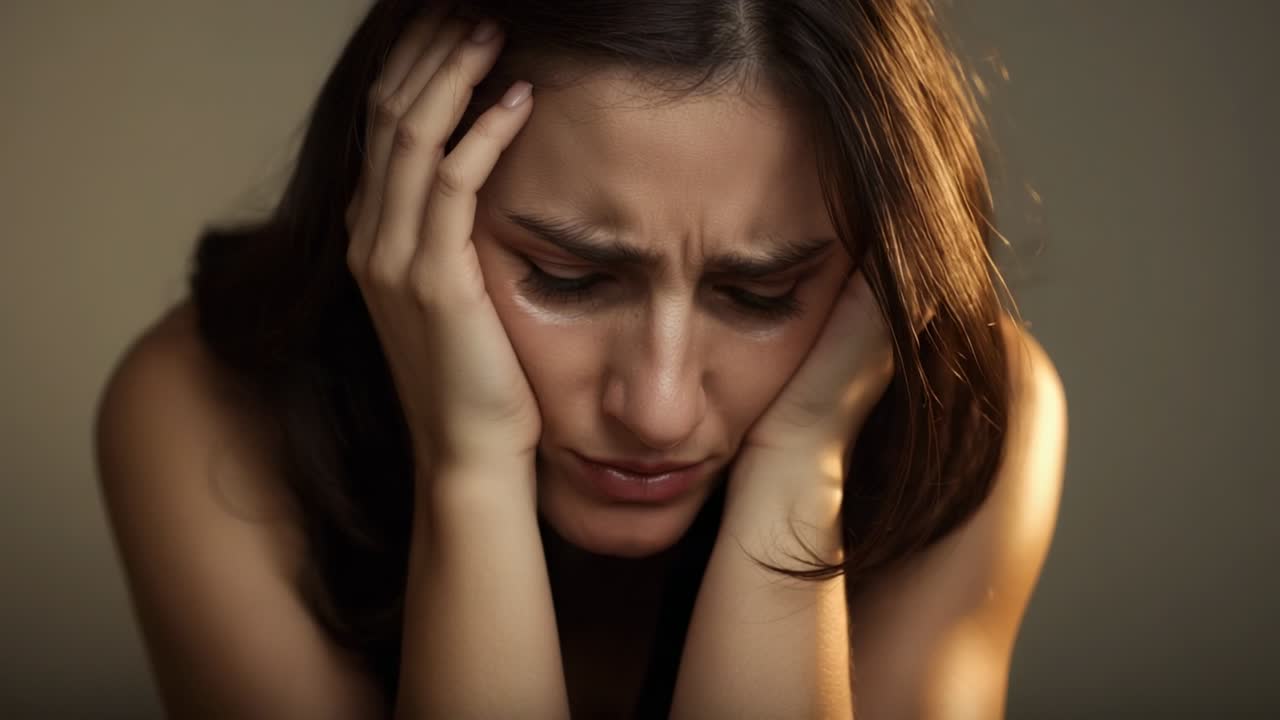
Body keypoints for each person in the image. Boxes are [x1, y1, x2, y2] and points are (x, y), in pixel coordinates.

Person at [94, 0, 1067, 717]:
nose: (654, 407)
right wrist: (469, 467)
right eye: (564, 277)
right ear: (403, 199)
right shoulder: (202, 412)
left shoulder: (974, 415)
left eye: (759, 295)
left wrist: (799, 470)